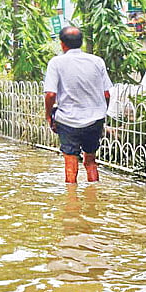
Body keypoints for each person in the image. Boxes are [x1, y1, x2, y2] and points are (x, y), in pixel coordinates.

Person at [44, 26, 112, 184]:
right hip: (94, 119)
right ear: (81, 42)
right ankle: (93, 196)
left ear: (62, 44)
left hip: (67, 120)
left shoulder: (56, 63)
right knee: (90, 161)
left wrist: (48, 116)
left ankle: (72, 201)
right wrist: (101, 112)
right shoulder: (97, 61)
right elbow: (107, 93)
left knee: (70, 162)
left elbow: (50, 94)